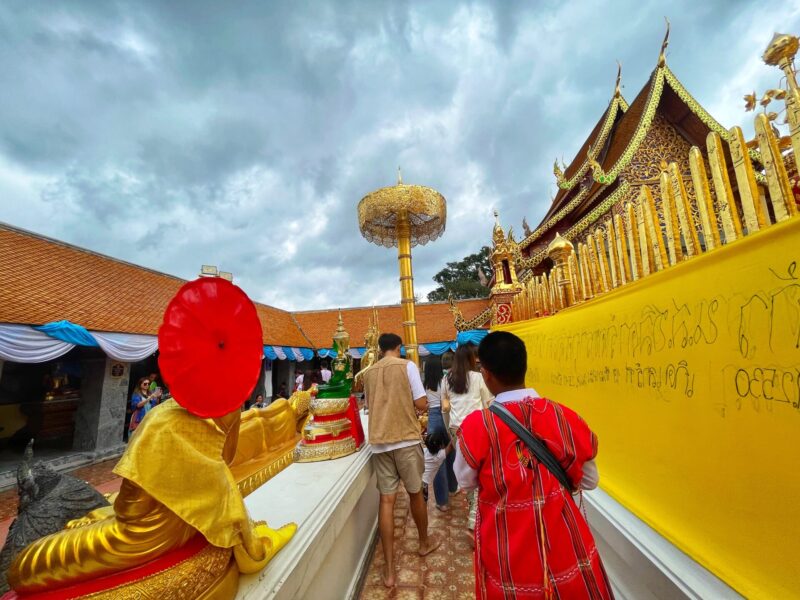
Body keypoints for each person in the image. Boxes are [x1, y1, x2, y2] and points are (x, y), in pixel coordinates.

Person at [455, 331, 612, 599]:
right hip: (564, 546)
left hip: (507, 550)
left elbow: (465, 482)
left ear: (486, 373)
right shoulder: (564, 416)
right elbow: (590, 480)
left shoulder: (477, 427)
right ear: (524, 366)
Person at [362, 333, 441, 588]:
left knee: (386, 500)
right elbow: (420, 402)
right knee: (415, 493)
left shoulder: (369, 373)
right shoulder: (407, 366)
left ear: (380, 349)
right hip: (406, 440)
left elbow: (368, 406)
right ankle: (423, 543)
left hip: (379, 443)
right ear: (398, 347)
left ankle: (388, 569)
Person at [442, 344, 493, 531]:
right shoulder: (478, 378)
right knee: (479, 470)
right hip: (477, 428)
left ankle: (473, 508)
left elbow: (444, 409)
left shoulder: (447, 379)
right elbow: (488, 405)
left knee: (469, 470)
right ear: (472, 359)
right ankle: (474, 516)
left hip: (457, 429)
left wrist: (450, 431)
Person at [423, 356, 450, 511]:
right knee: (450, 454)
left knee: (436, 461)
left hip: (433, 417)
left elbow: (423, 403)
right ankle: (452, 488)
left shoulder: (425, 384)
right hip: (446, 415)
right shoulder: (445, 380)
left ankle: (442, 502)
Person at [421, 428, 449, 503]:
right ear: (441, 445)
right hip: (423, 485)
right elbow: (451, 445)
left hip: (416, 479)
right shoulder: (439, 456)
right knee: (422, 503)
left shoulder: (424, 451)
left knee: (416, 501)